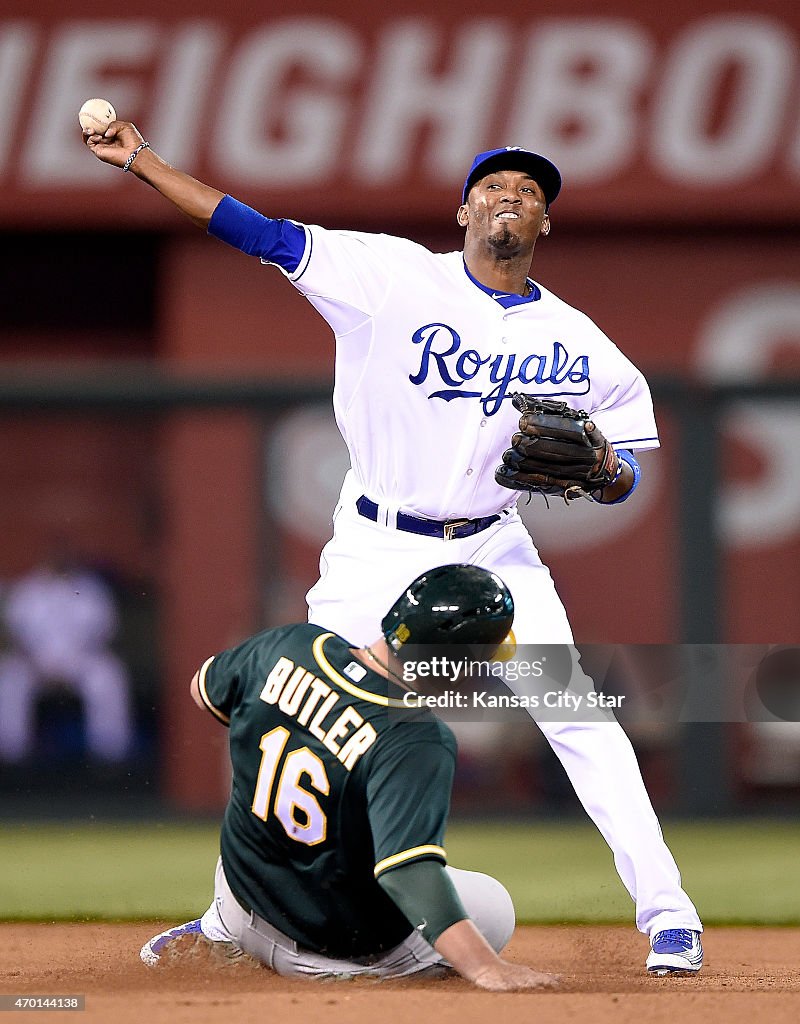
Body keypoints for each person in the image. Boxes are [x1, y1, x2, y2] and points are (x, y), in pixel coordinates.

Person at [86, 124, 703, 974]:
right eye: (494, 185)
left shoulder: (581, 342)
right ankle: (229, 920)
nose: (511, 196)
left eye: (530, 190)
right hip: (376, 540)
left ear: (546, 224)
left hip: (494, 554)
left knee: (581, 719)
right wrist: (145, 165)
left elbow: (632, 468)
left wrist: (605, 470)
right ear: (462, 208)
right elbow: (256, 232)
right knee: (294, 707)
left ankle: (670, 917)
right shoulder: (387, 273)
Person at [140, 564, 558, 990]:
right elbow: (407, 872)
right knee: (493, 906)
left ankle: (221, 932)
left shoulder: (291, 643)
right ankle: (351, 973)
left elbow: (202, 689)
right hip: (331, 948)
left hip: (240, 899)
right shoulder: (415, 737)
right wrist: (487, 969)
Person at [0, 540, 133, 763]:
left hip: (80, 659)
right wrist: (33, 661)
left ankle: (109, 756)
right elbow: (15, 635)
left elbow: (104, 633)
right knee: (10, 677)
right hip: (35, 661)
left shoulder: (91, 589)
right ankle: (12, 754)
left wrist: (79, 655)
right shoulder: (29, 589)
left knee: (108, 676)